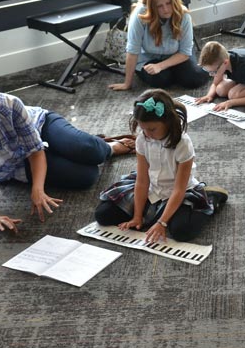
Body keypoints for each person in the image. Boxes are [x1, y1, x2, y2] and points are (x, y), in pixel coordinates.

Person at [0, 86, 135, 233]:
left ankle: (108, 147)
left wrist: (38, 189)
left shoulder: (5, 103)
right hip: (17, 165)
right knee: (87, 176)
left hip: (40, 125)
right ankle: (80, 145)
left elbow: (35, 150)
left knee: (91, 151)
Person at [94, 89, 228, 243]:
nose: (147, 134)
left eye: (152, 129)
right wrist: (137, 216)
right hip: (152, 188)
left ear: (168, 122)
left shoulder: (182, 143)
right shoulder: (142, 140)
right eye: (142, 128)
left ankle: (211, 197)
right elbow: (142, 181)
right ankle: (150, 213)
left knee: (181, 232)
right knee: (103, 215)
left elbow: (179, 188)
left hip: (179, 192)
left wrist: (162, 223)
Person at [108, 0, 206, 92]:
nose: (166, 9)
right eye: (160, 6)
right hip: (148, 58)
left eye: (168, 3)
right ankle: (175, 73)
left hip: (177, 55)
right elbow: (132, 51)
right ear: (152, 7)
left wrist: (161, 66)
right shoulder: (140, 15)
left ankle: (206, 68)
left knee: (194, 79)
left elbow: (184, 52)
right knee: (161, 80)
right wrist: (127, 83)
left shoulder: (183, 15)